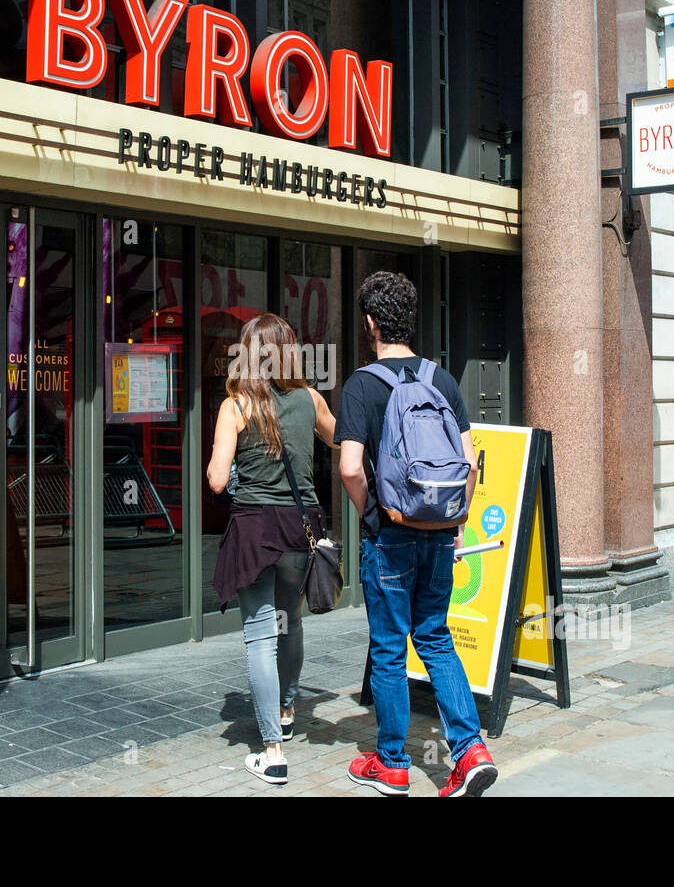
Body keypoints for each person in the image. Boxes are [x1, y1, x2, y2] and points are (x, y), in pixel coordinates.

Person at [334, 270, 498, 797]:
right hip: (440, 530)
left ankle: (392, 763)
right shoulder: (441, 380)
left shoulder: (362, 384)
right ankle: (470, 749)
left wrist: (372, 514)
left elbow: (350, 468)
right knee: (434, 636)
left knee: (388, 646)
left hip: (392, 535)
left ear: (371, 323)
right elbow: (471, 462)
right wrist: (457, 521)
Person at [207, 313, 337, 785]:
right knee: (291, 621)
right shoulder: (310, 399)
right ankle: (286, 707)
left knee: (260, 636)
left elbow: (219, 480)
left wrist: (233, 467)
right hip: (299, 529)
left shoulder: (235, 405)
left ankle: (271, 750)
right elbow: (342, 442)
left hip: (254, 531)